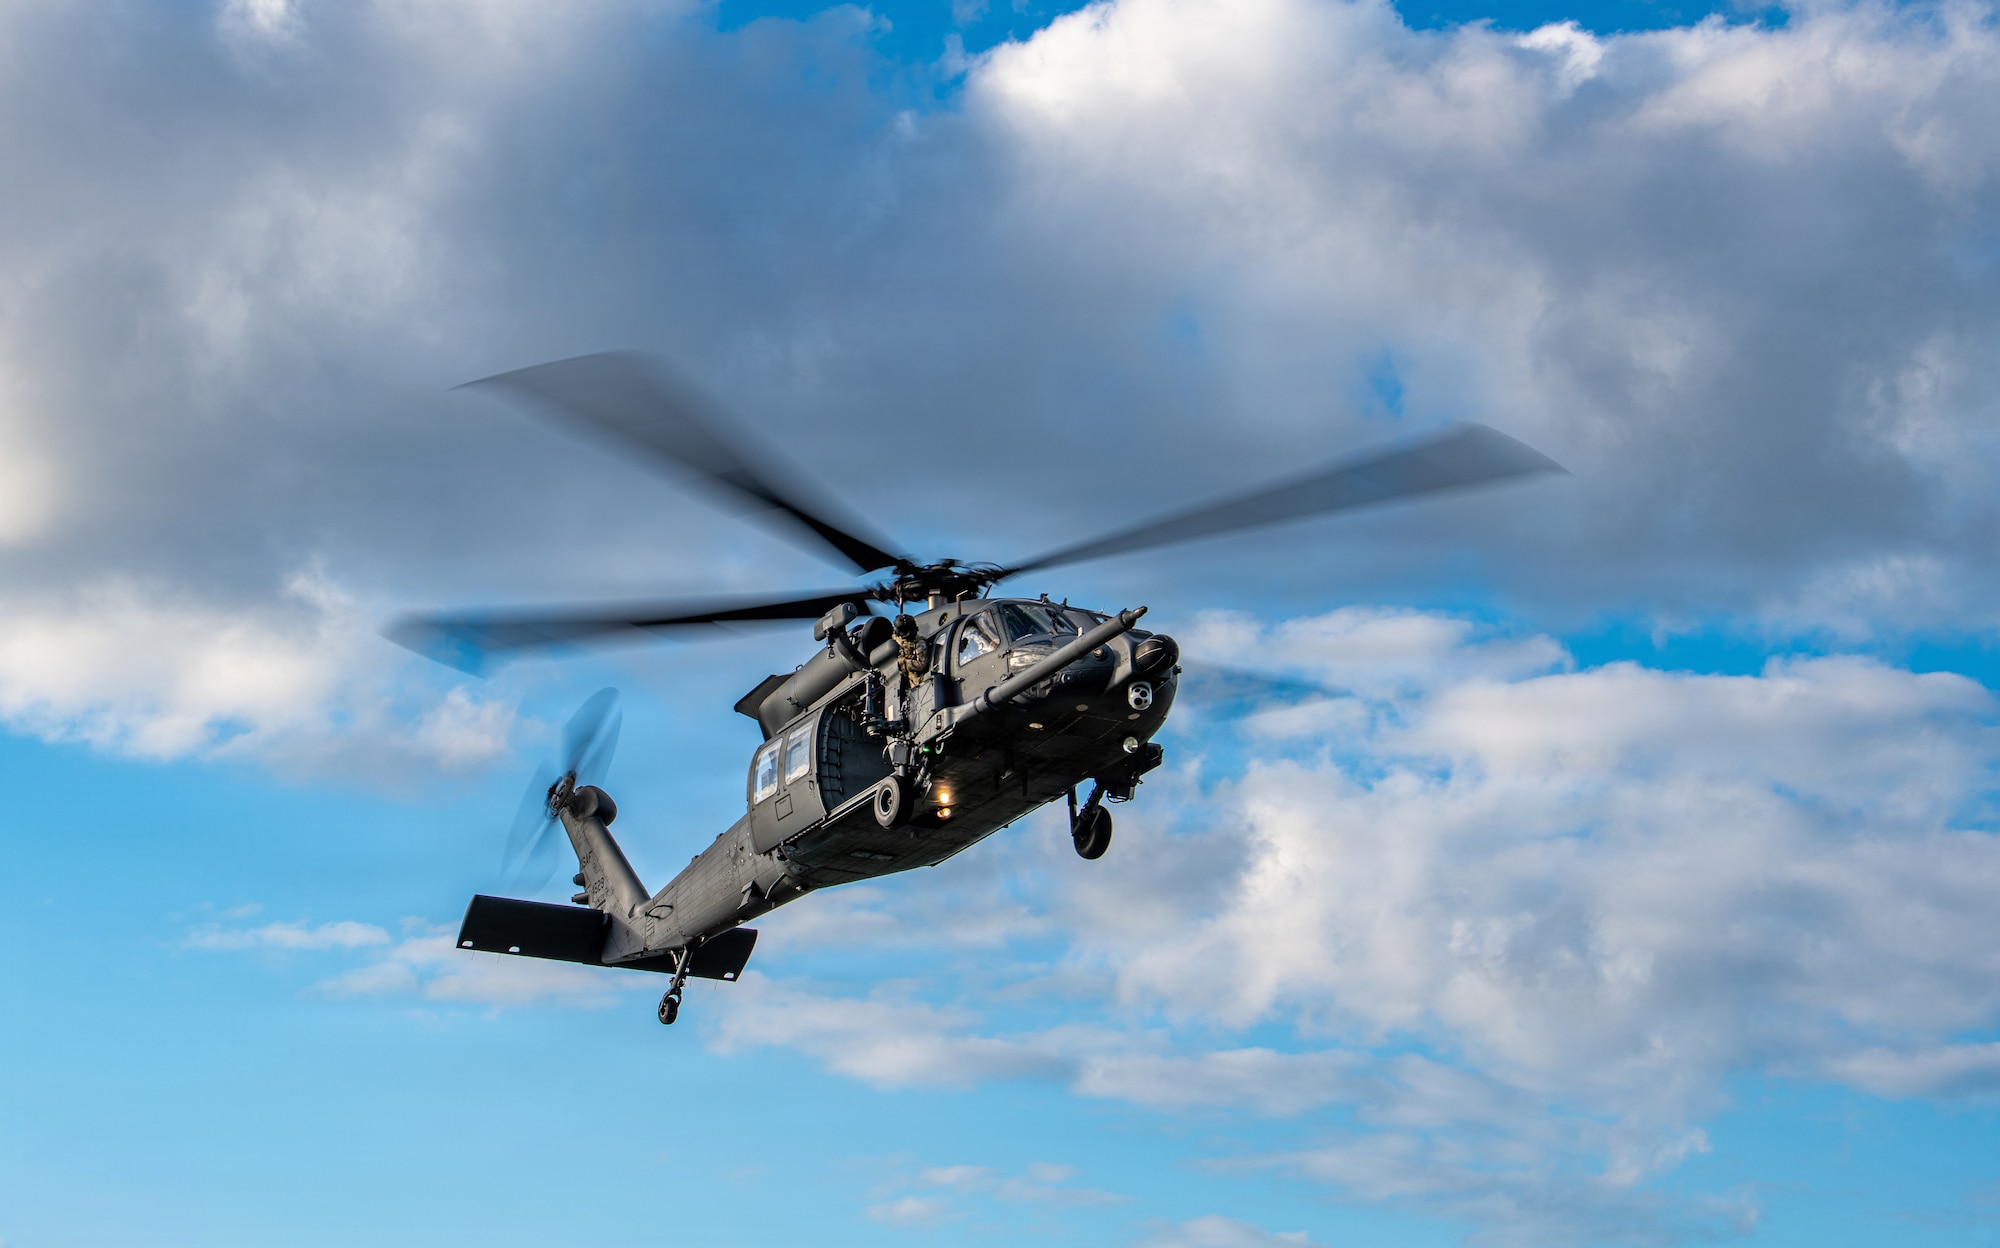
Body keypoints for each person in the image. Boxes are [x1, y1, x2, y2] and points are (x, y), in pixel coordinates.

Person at [894, 613, 930, 689]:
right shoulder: (899, 639)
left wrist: (904, 661)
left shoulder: (920, 643)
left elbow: (921, 665)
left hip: (917, 684)